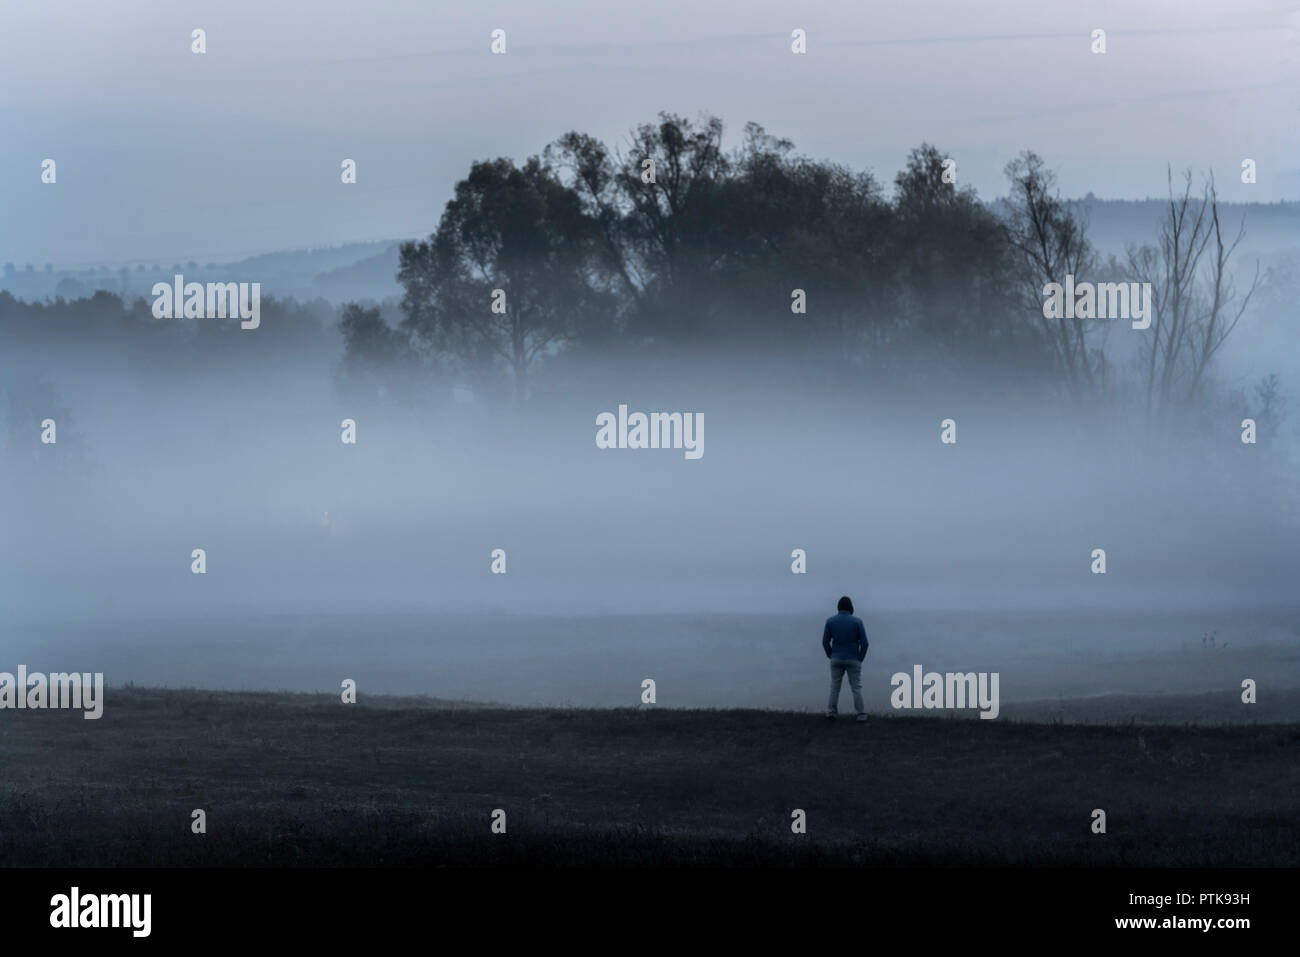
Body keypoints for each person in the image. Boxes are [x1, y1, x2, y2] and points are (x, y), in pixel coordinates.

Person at [822, 596, 868, 720]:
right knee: (856, 687)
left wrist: (830, 654)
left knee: (835, 687)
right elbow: (865, 643)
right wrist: (860, 657)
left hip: (836, 658)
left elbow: (825, 642)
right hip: (853, 658)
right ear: (851, 607)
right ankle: (860, 713)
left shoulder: (830, 621)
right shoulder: (857, 622)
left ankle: (831, 712)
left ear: (838, 607)